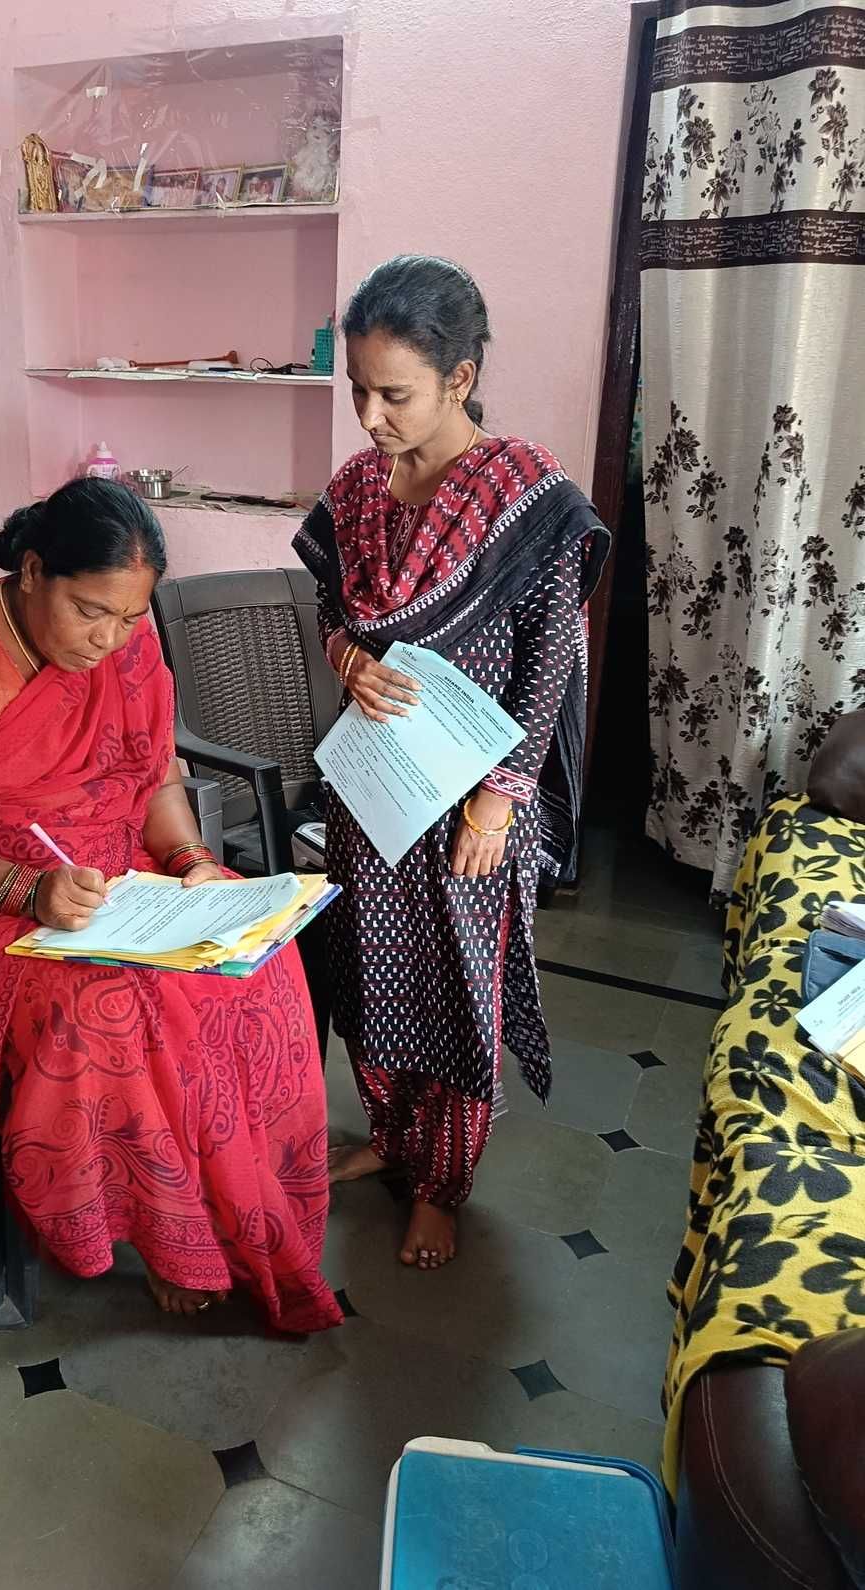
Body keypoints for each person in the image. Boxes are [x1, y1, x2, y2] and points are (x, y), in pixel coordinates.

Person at [0, 478, 341, 1333]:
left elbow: (152, 775)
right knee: (106, 1010)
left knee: (253, 958)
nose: (109, 639)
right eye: (89, 612)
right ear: (33, 570)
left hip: (109, 875)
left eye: (127, 617)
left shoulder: (127, 642)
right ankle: (161, 1231)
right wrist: (23, 888)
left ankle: (232, 1206)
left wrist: (191, 863)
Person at [294, 255, 610, 1271]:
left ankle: (441, 1183)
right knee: (370, 974)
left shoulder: (524, 494)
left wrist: (498, 802)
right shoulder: (356, 489)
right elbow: (331, 606)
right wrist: (347, 657)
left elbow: (549, 657)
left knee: (457, 993)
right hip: (373, 788)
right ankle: (391, 1141)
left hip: (472, 800)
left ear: (459, 379)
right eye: (358, 390)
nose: (370, 416)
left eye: (394, 394)